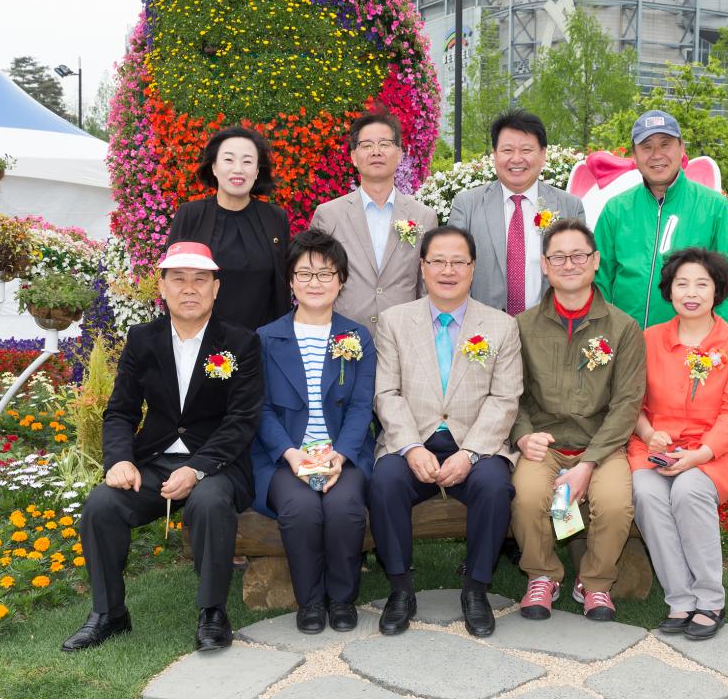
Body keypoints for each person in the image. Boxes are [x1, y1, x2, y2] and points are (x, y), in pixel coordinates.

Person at [63, 242, 263, 653]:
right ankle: (108, 613)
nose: (190, 289)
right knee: (102, 504)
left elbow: (241, 420)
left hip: (219, 464)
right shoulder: (142, 339)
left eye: (200, 280)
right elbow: (120, 410)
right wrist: (119, 460)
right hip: (155, 460)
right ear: (163, 286)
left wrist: (198, 468)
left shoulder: (240, 342)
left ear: (215, 288)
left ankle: (212, 612)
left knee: (207, 501)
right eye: (179, 279)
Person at [369, 225, 522, 638]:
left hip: (476, 444)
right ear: (423, 267)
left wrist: (470, 453)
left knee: (494, 487)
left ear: (473, 269)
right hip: (412, 440)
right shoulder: (393, 322)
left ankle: (475, 589)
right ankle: (401, 589)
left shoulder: (501, 326)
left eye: (459, 262)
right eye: (438, 261)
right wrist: (410, 446)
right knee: (384, 483)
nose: (448, 270)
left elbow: (504, 399)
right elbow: (387, 391)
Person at [510, 219, 646, 622]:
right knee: (528, 495)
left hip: (601, 447)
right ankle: (542, 575)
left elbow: (627, 403)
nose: (569, 264)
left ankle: (596, 583)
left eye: (578, 255)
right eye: (558, 257)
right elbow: (510, 394)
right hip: (545, 445)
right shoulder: (522, 326)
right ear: (545, 266)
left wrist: (589, 463)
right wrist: (522, 437)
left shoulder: (623, 328)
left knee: (615, 503)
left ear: (595, 261)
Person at [251, 230, 376, 634]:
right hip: (286, 454)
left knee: (343, 508)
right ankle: (310, 601)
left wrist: (340, 454)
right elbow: (261, 408)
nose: (315, 283)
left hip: (343, 451)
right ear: (290, 281)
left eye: (326, 273)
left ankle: (341, 599)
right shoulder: (267, 339)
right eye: (305, 273)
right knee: (300, 510)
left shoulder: (356, 336)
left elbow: (360, 406)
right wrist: (291, 454)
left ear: (341, 281)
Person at [628, 248, 728, 641]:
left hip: (713, 451)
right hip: (654, 445)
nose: (691, 292)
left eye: (702, 283)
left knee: (687, 490)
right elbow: (630, 403)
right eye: (682, 283)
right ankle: (680, 598)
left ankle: (710, 598)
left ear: (717, 291)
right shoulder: (649, 340)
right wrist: (649, 434)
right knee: (646, 493)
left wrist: (699, 455)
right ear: (669, 291)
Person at [594, 110, 728, 330]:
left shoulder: (714, 207)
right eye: (646, 147)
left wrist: (715, 340)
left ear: (681, 148)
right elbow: (599, 278)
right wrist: (605, 336)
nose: (656, 155)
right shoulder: (616, 209)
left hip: (688, 349)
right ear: (635, 156)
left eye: (665, 144)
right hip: (625, 347)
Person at [449, 109, 585, 316]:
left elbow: (580, 273)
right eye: (507, 150)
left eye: (526, 150)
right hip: (483, 332)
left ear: (543, 154)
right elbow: (451, 270)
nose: (516, 159)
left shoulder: (568, 206)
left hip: (550, 330)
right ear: (494, 154)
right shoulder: (467, 205)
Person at [310, 110, 438, 331]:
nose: (376, 152)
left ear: (399, 154)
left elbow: (426, 283)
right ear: (353, 157)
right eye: (367, 145)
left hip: (405, 334)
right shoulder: (328, 215)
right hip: (344, 336)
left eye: (385, 144)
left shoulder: (424, 217)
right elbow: (315, 280)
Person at [167, 125, 290, 331]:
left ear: (257, 170)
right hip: (202, 340)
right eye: (229, 159)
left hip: (261, 343)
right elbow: (173, 280)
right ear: (214, 167)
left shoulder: (275, 219)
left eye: (247, 161)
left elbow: (281, 287)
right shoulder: (190, 215)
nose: (238, 169)